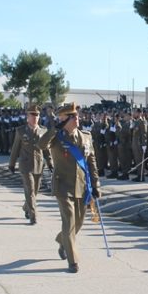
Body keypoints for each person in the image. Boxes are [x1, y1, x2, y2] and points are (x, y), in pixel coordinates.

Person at [45, 102, 100, 273]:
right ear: (64, 120)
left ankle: (63, 240)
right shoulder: (56, 137)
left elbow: (92, 162)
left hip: (82, 186)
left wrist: (96, 184)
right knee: (69, 221)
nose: (77, 118)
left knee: (78, 222)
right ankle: (73, 261)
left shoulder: (86, 136)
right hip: (62, 186)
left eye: (77, 115)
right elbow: (40, 145)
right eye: (73, 116)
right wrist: (55, 128)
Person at [8, 105, 52, 225]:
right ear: (27, 117)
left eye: (37, 115)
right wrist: (11, 164)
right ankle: (33, 216)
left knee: (35, 192)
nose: (35, 117)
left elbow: (46, 149)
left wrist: (50, 162)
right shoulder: (21, 131)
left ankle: (26, 206)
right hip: (25, 165)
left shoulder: (43, 131)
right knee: (30, 190)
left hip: (38, 165)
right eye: (32, 115)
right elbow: (15, 148)